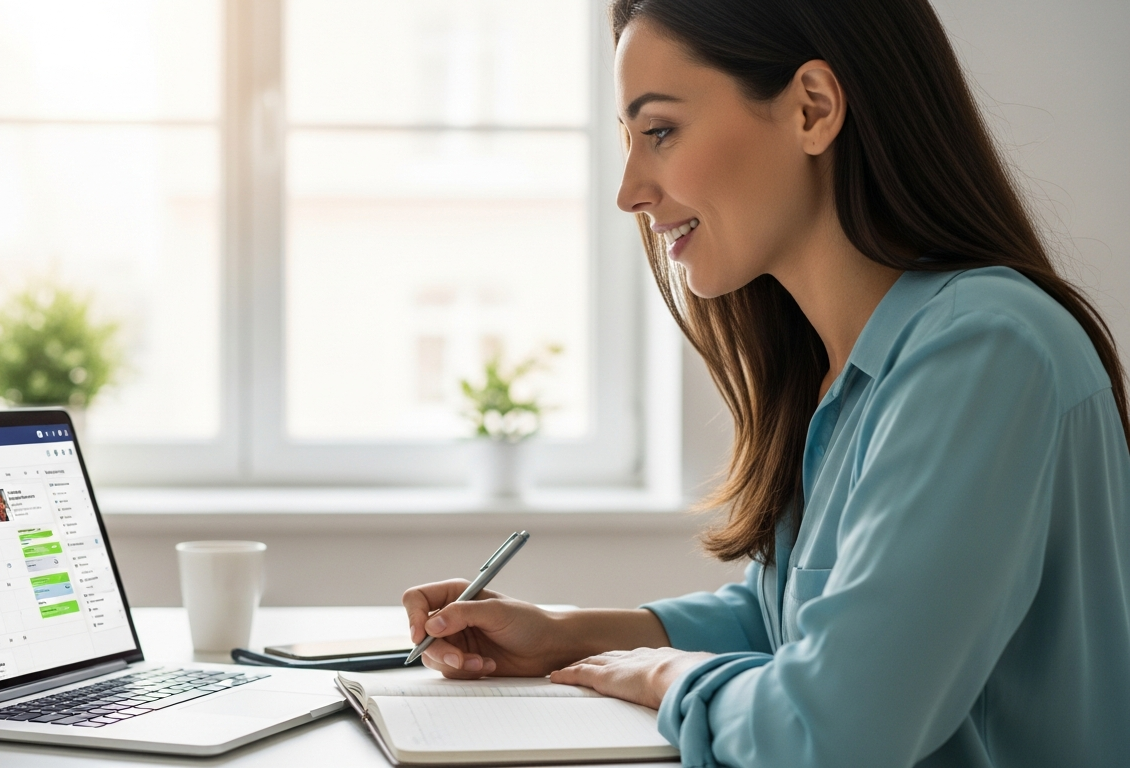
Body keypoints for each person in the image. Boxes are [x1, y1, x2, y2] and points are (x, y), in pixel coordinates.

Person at [402, 1, 1130, 766]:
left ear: (812, 109)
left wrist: (665, 674)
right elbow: (790, 617)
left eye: (659, 132)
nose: (629, 191)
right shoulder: (847, 369)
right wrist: (566, 635)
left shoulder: (984, 351)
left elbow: (837, 728)